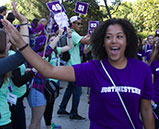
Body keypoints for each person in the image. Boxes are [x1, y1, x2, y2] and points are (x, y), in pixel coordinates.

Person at [1, 18, 155, 129]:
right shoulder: (94, 68)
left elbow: (146, 109)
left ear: (127, 41)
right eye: (108, 37)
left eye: (119, 36)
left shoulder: (142, 70)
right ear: (102, 42)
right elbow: (49, 70)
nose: (114, 41)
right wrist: (21, 44)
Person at [57, 15, 90, 120]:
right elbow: (85, 42)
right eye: (78, 23)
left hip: (70, 64)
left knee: (70, 88)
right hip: (74, 66)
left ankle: (62, 108)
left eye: (81, 23)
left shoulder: (71, 33)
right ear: (72, 24)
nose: (80, 25)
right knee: (77, 90)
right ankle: (73, 112)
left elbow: (83, 39)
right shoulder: (73, 34)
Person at [44, 28, 73, 129]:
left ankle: (49, 123)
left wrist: (69, 36)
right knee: (47, 106)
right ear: (48, 42)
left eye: (54, 40)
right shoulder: (46, 54)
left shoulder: (57, 51)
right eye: (51, 40)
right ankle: (48, 125)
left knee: (51, 105)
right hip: (47, 83)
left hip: (55, 83)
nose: (53, 42)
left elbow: (70, 46)